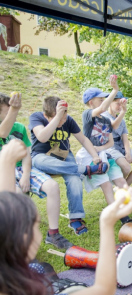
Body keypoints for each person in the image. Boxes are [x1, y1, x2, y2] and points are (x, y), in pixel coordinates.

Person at [0, 182, 132, 295]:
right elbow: (103, 289)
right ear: (24, 237)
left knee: (38, 269)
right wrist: (107, 222)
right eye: (37, 225)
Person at [0, 92, 73, 249]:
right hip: (3, 171)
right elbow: (2, 133)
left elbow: (27, 154)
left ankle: (53, 234)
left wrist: (26, 174)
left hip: (21, 168)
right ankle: (17, 240)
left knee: (52, 187)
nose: (11, 113)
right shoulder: (3, 129)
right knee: (18, 195)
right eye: (8, 110)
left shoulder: (19, 127)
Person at [29, 97, 108, 236]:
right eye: (60, 119)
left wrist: (95, 156)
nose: (62, 122)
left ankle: (75, 218)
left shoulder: (69, 120)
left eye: (64, 118)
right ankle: (85, 170)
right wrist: (57, 117)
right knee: (39, 161)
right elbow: (42, 137)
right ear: (46, 116)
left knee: (75, 179)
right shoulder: (36, 117)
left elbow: (83, 139)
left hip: (64, 155)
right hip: (42, 156)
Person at [77, 77, 132, 223]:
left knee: (121, 181)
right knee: (107, 185)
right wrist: (115, 90)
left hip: (103, 155)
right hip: (89, 157)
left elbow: (110, 142)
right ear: (91, 103)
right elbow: (101, 109)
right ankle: (123, 219)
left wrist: (99, 148)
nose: (103, 102)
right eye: (100, 99)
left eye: (103, 99)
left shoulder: (106, 121)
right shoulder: (87, 115)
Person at [102, 91, 132, 185]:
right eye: (117, 103)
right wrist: (123, 111)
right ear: (110, 103)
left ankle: (124, 187)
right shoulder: (104, 116)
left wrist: (127, 153)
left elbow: (125, 138)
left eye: (121, 104)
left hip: (121, 146)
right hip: (109, 146)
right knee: (126, 167)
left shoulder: (121, 119)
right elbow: (113, 125)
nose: (120, 106)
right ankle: (120, 187)